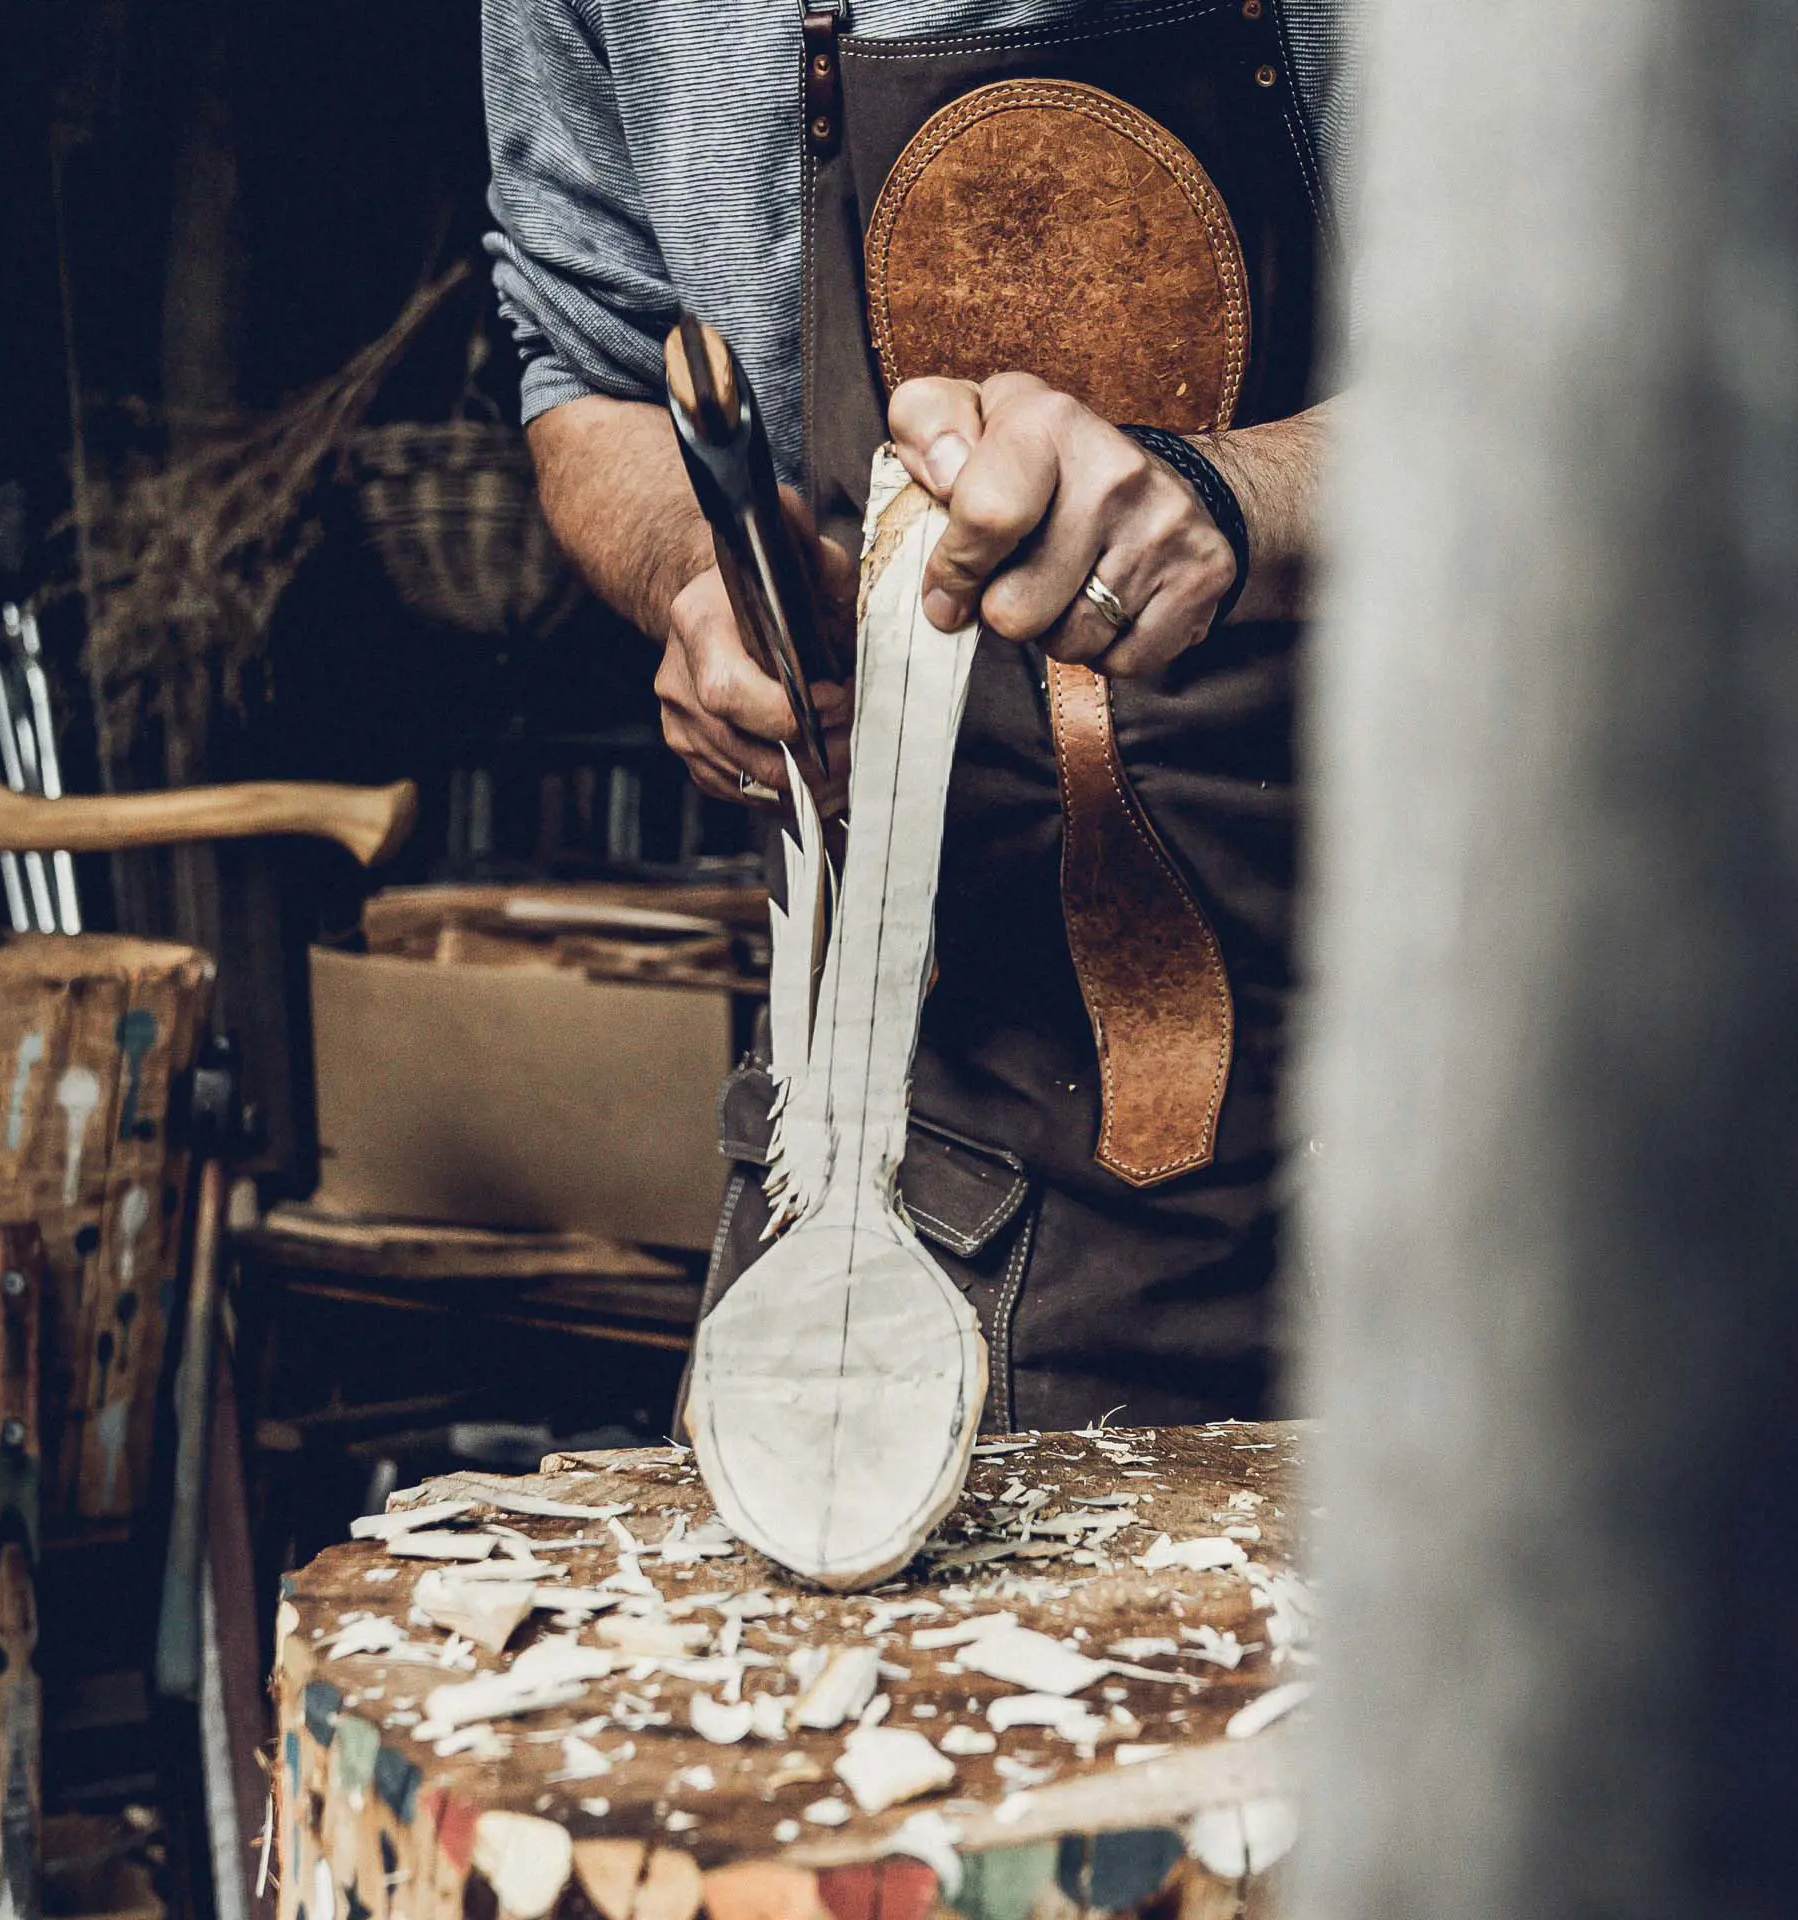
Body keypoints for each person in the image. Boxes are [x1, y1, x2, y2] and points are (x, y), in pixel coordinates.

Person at [483, 0, 1354, 1430]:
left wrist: (1231, 502)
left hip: (1491, 1101)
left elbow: (1613, 377)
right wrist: (706, 578)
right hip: (930, 1178)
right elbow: (588, 364)